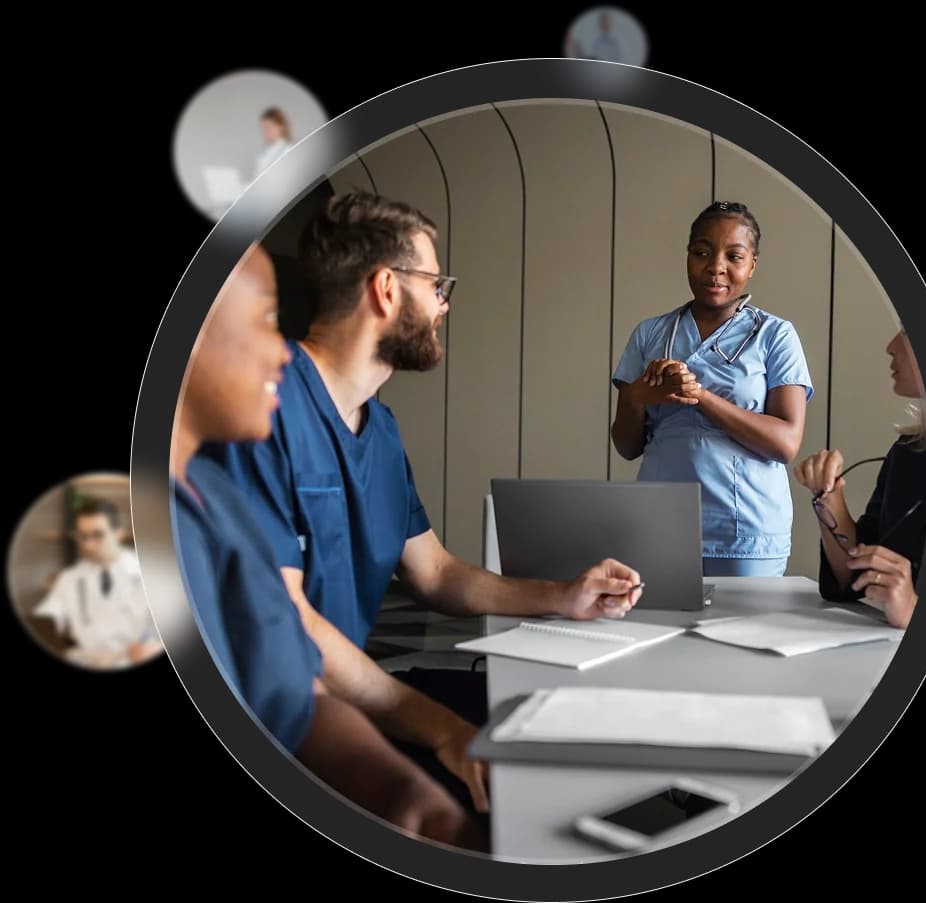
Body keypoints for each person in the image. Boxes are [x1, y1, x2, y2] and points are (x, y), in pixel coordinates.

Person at [209, 191, 644, 817]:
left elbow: (435, 573)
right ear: (386, 289)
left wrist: (562, 595)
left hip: (356, 694)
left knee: (557, 724)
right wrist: (440, 728)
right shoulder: (261, 410)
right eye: (436, 285)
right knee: (502, 788)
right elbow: (288, 619)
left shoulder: (380, 429)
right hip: (284, 724)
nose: (444, 304)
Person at [172, 243, 482, 848]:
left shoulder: (221, 504)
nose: (279, 351)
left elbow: (296, 697)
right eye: (264, 321)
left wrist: (412, 802)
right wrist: (438, 735)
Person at [611, 201, 813, 577]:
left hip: (745, 531)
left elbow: (786, 443)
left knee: (743, 619)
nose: (715, 267)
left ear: (752, 264)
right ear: (687, 256)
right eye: (702, 252)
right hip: (660, 525)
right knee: (657, 616)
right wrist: (638, 396)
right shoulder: (650, 333)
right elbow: (626, 447)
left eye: (733, 256)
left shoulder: (775, 335)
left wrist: (700, 396)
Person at [794, 330, 926, 628]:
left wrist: (915, 609)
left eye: (907, 331)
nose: (890, 346)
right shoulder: (910, 451)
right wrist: (829, 498)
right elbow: (852, 579)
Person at [32, 498, 161, 668]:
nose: (88, 545)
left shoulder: (150, 573)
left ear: (119, 533)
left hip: (132, 659)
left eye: (98, 535)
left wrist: (157, 647)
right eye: (82, 536)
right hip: (85, 660)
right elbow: (45, 619)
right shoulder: (69, 578)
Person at [255, 107, 293, 176]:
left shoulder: (290, 151)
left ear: (281, 127)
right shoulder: (263, 156)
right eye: (263, 129)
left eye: (269, 127)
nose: (266, 132)